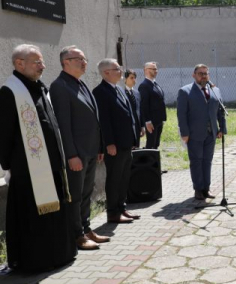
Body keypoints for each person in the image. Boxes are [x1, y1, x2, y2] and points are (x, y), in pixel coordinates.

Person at [0, 44, 78, 268]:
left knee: (55, 215)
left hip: (52, 167)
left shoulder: (40, 88)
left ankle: (60, 254)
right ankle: (36, 261)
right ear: (19, 64)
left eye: (42, 61)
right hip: (28, 171)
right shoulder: (10, 92)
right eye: (37, 62)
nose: (42, 66)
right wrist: (8, 165)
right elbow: (4, 135)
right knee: (34, 219)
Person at [50, 46, 107, 250]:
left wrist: (99, 147)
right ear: (65, 62)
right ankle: (77, 235)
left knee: (86, 193)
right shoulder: (59, 86)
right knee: (75, 194)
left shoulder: (80, 83)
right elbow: (63, 125)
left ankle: (86, 227)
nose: (84, 62)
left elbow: (93, 120)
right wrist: (71, 155)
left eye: (85, 59)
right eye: (78, 59)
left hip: (91, 151)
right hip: (77, 154)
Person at [93, 60, 140, 224]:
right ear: (106, 72)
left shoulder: (119, 89)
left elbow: (128, 115)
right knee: (114, 179)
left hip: (126, 143)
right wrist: (109, 143)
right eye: (117, 69)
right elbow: (104, 121)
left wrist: (134, 138)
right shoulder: (100, 92)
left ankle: (121, 207)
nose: (121, 71)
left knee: (124, 177)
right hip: (115, 145)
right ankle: (113, 212)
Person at [177, 64, 227, 200]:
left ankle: (207, 188)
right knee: (197, 161)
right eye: (200, 73)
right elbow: (181, 114)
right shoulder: (185, 91)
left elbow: (220, 111)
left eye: (206, 73)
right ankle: (198, 189)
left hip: (211, 134)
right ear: (194, 75)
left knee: (207, 161)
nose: (203, 76)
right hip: (194, 134)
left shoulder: (215, 90)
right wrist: (184, 133)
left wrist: (222, 128)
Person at [138, 61, 167, 149]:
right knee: (151, 145)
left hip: (159, 120)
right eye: (153, 69)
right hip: (151, 122)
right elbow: (143, 105)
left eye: (156, 69)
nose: (155, 71)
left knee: (156, 144)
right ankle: (148, 162)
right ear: (146, 70)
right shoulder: (144, 86)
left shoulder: (155, 84)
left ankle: (155, 162)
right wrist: (147, 121)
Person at [123, 69, 145, 148]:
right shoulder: (122, 93)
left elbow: (140, 110)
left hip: (137, 126)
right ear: (125, 79)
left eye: (135, 78)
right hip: (128, 127)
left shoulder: (137, 93)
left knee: (137, 147)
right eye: (131, 78)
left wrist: (142, 126)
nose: (134, 80)